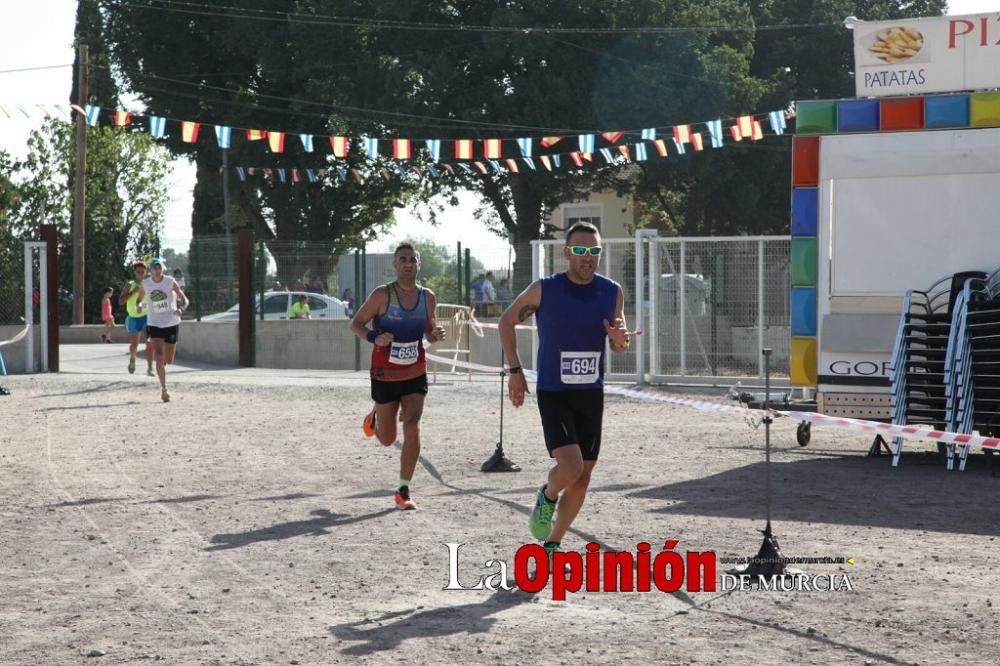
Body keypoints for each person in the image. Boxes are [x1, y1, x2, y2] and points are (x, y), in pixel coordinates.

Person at [498, 221, 630, 560]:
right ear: (567, 252)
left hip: (590, 393)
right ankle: (548, 493)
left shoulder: (611, 291)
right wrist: (514, 370)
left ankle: (553, 545)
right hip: (555, 391)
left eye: (594, 251)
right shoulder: (545, 289)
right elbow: (506, 321)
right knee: (569, 470)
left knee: (583, 478)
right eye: (581, 250)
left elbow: (620, 344)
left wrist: (619, 341)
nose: (588, 257)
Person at [350, 243, 446, 510]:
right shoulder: (382, 295)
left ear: (419, 264)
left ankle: (403, 489)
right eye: (402, 259)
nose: (408, 263)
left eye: (412, 259)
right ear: (395, 264)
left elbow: (429, 332)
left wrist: (434, 336)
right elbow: (355, 324)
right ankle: (376, 416)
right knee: (387, 439)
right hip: (385, 375)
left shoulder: (428, 297)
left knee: (413, 424)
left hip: (415, 371)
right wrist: (374, 336)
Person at [135, 258, 190, 403]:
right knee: (158, 356)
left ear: (162, 269)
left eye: (159, 267)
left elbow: (185, 300)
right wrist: (140, 305)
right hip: (154, 324)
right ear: (150, 270)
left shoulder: (170, 281)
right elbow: (139, 300)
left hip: (171, 322)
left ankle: (163, 364)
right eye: (154, 268)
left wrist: (181, 309)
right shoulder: (146, 283)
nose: (157, 270)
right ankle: (164, 389)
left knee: (168, 360)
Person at [120, 261, 154, 376]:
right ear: (135, 272)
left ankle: (150, 368)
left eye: (142, 272)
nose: (140, 274)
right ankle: (133, 358)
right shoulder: (129, 284)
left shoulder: (149, 284)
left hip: (146, 317)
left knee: (149, 343)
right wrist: (132, 292)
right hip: (133, 318)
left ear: (145, 272)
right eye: (138, 272)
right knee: (134, 345)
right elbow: (120, 301)